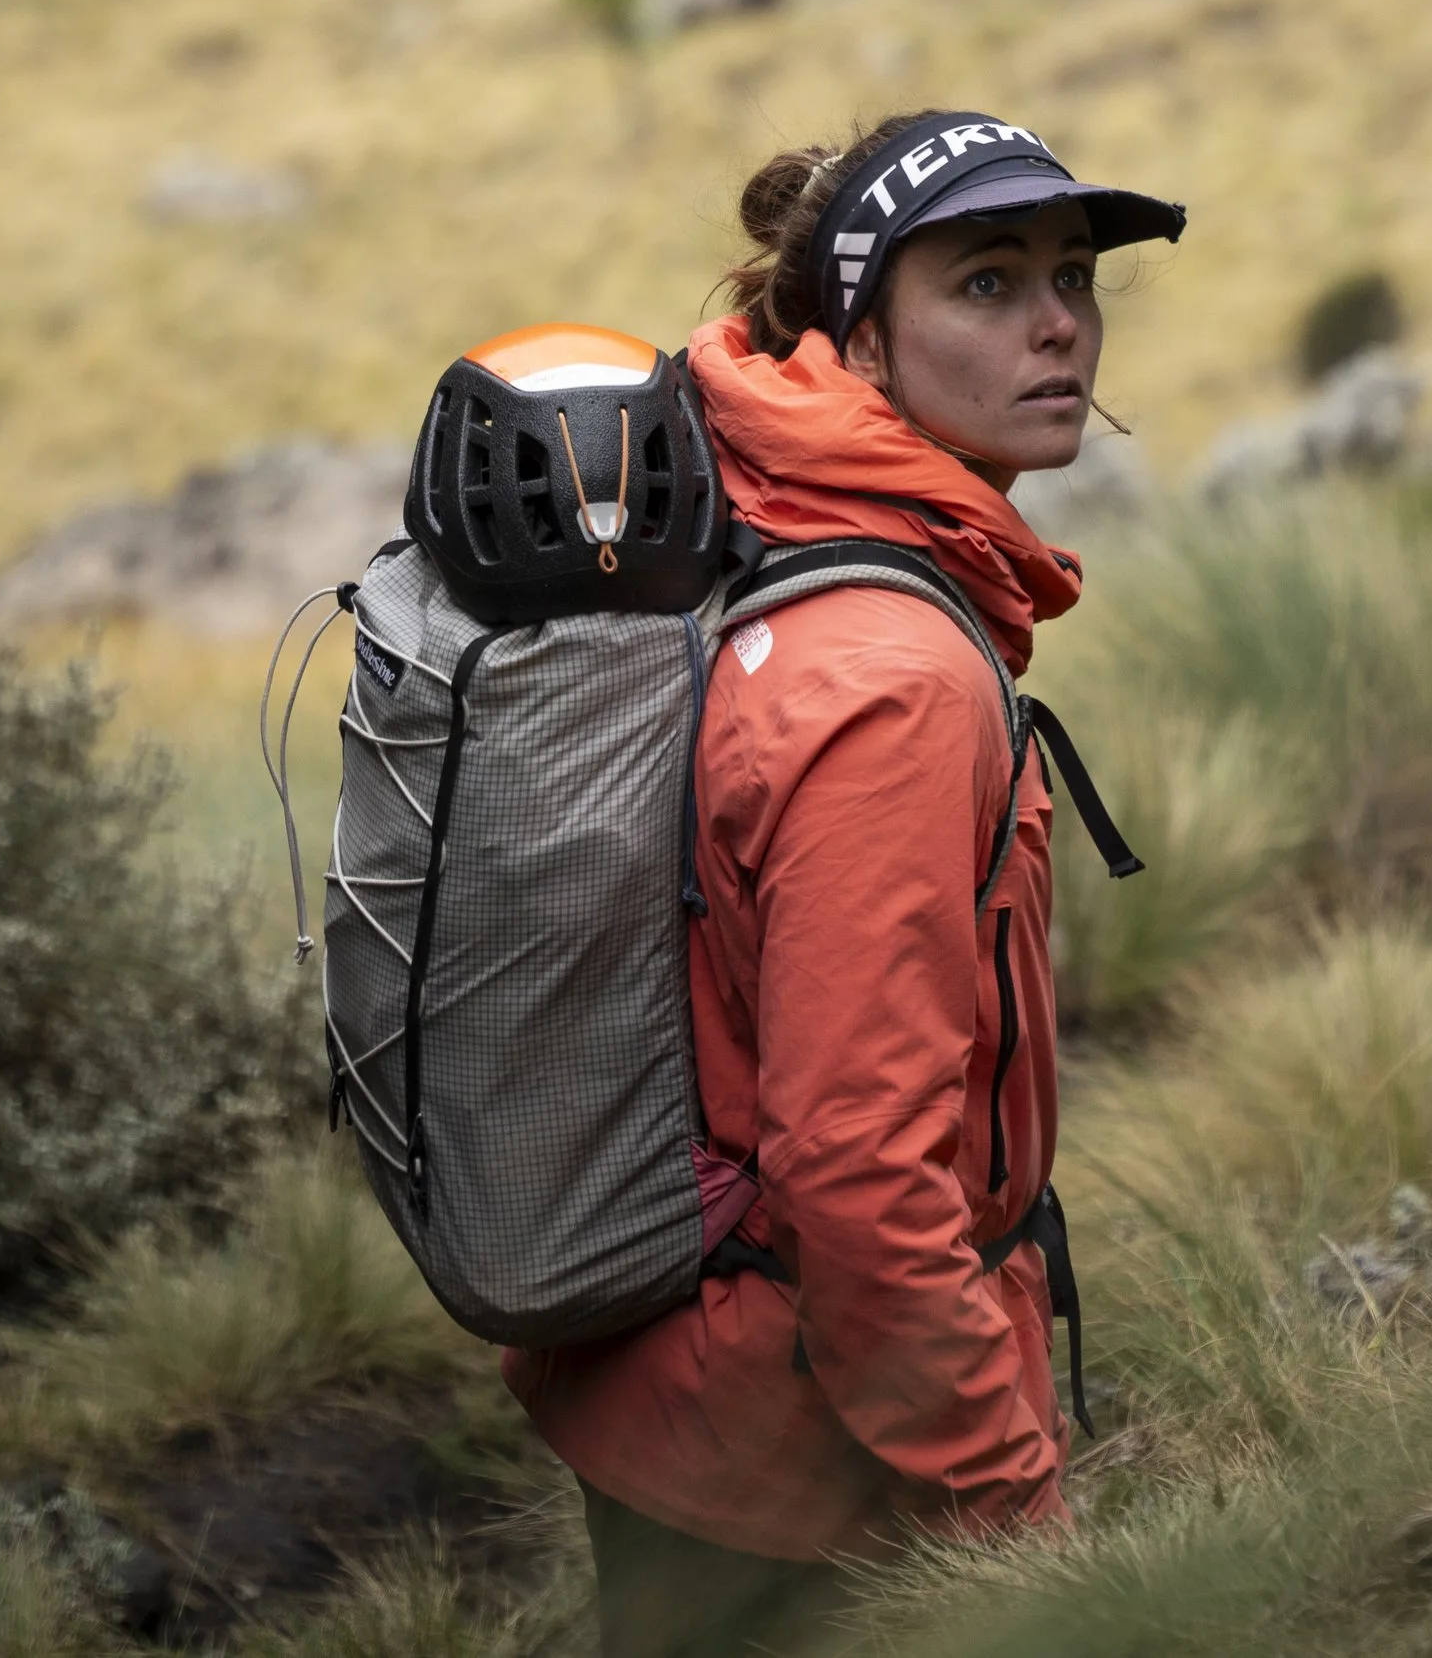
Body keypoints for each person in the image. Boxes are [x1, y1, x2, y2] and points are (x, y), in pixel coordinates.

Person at [502, 111, 1185, 1658]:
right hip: (798, 1468)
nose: (1061, 318)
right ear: (862, 338)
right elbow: (862, 1173)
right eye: (989, 283)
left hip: (700, 1404)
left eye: (1074, 275)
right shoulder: (890, 677)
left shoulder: (786, 525)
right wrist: (1015, 1503)